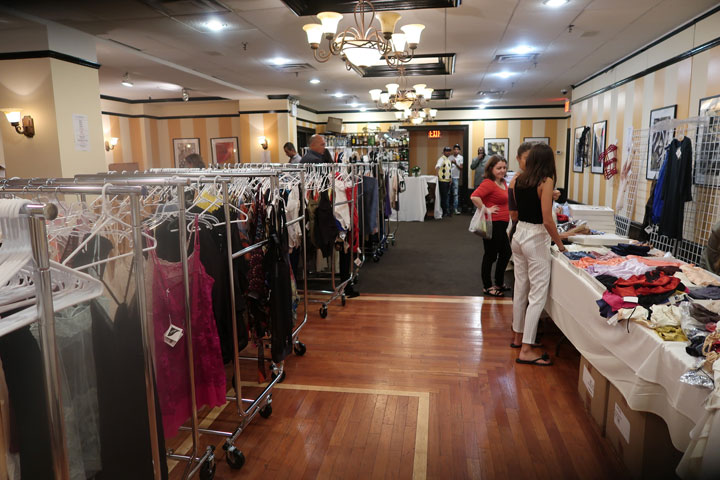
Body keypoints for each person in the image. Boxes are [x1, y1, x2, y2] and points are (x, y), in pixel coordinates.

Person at [511, 143, 567, 367]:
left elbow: (518, 210)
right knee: (537, 295)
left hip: (519, 234)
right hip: (535, 238)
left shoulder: (519, 180)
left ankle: (518, 337)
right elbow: (547, 219)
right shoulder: (546, 181)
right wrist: (560, 245)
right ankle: (526, 349)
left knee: (520, 289)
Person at [471, 155, 512, 297]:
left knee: (506, 253)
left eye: (504, 167)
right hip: (493, 224)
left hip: (502, 225)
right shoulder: (488, 183)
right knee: (490, 255)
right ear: (491, 168)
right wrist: (486, 209)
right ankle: (487, 286)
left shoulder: (503, 182)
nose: (502, 170)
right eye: (499, 168)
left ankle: (499, 282)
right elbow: (474, 197)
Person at [435, 146, 453, 217]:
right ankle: (443, 211)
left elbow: (449, 170)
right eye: (447, 151)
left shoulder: (448, 160)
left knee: (446, 196)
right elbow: (437, 167)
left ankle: (445, 210)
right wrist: (436, 176)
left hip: (447, 180)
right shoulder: (441, 159)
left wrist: (450, 178)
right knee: (443, 197)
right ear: (443, 152)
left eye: (449, 151)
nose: (448, 152)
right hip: (442, 181)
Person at [449, 144, 464, 214]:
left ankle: (455, 208)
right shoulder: (450, 157)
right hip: (449, 177)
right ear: (453, 150)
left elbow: (461, 168)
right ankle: (448, 209)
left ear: (459, 151)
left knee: (455, 194)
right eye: (455, 149)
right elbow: (447, 167)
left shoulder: (461, 158)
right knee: (448, 193)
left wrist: (455, 163)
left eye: (457, 149)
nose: (456, 150)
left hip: (456, 177)